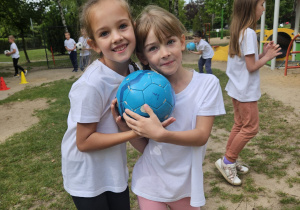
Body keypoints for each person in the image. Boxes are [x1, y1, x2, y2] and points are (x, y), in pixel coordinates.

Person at [60, 0, 164, 209]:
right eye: (104, 33)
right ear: (94, 44)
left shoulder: (134, 76)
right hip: (86, 175)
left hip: (113, 167)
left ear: (133, 27)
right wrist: (135, 133)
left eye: (122, 26)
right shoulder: (91, 85)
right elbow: (84, 141)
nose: (117, 37)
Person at [123, 5, 226, 209]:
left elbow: (201, 136)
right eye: (153, 48)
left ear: (182, 42)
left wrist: (162, 135)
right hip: (150, 183)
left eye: (170, 42)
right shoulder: (139, 94)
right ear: (143, 57)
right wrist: (125, 127)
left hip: (186, 187)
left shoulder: (207, 85)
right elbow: (147, 148)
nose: (165, 53)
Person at [215, 0, 282, 186]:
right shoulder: (250, 33)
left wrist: (263, 54)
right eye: (261, 4)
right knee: (251, 128)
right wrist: (268, 57)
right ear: (251, 8)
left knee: (239, 124)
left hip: (237, 87)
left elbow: (248, 62)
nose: (263, 8)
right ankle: (228, 161)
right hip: (245, 91)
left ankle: (229, 160)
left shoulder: (240, 31)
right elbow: (251, 67)